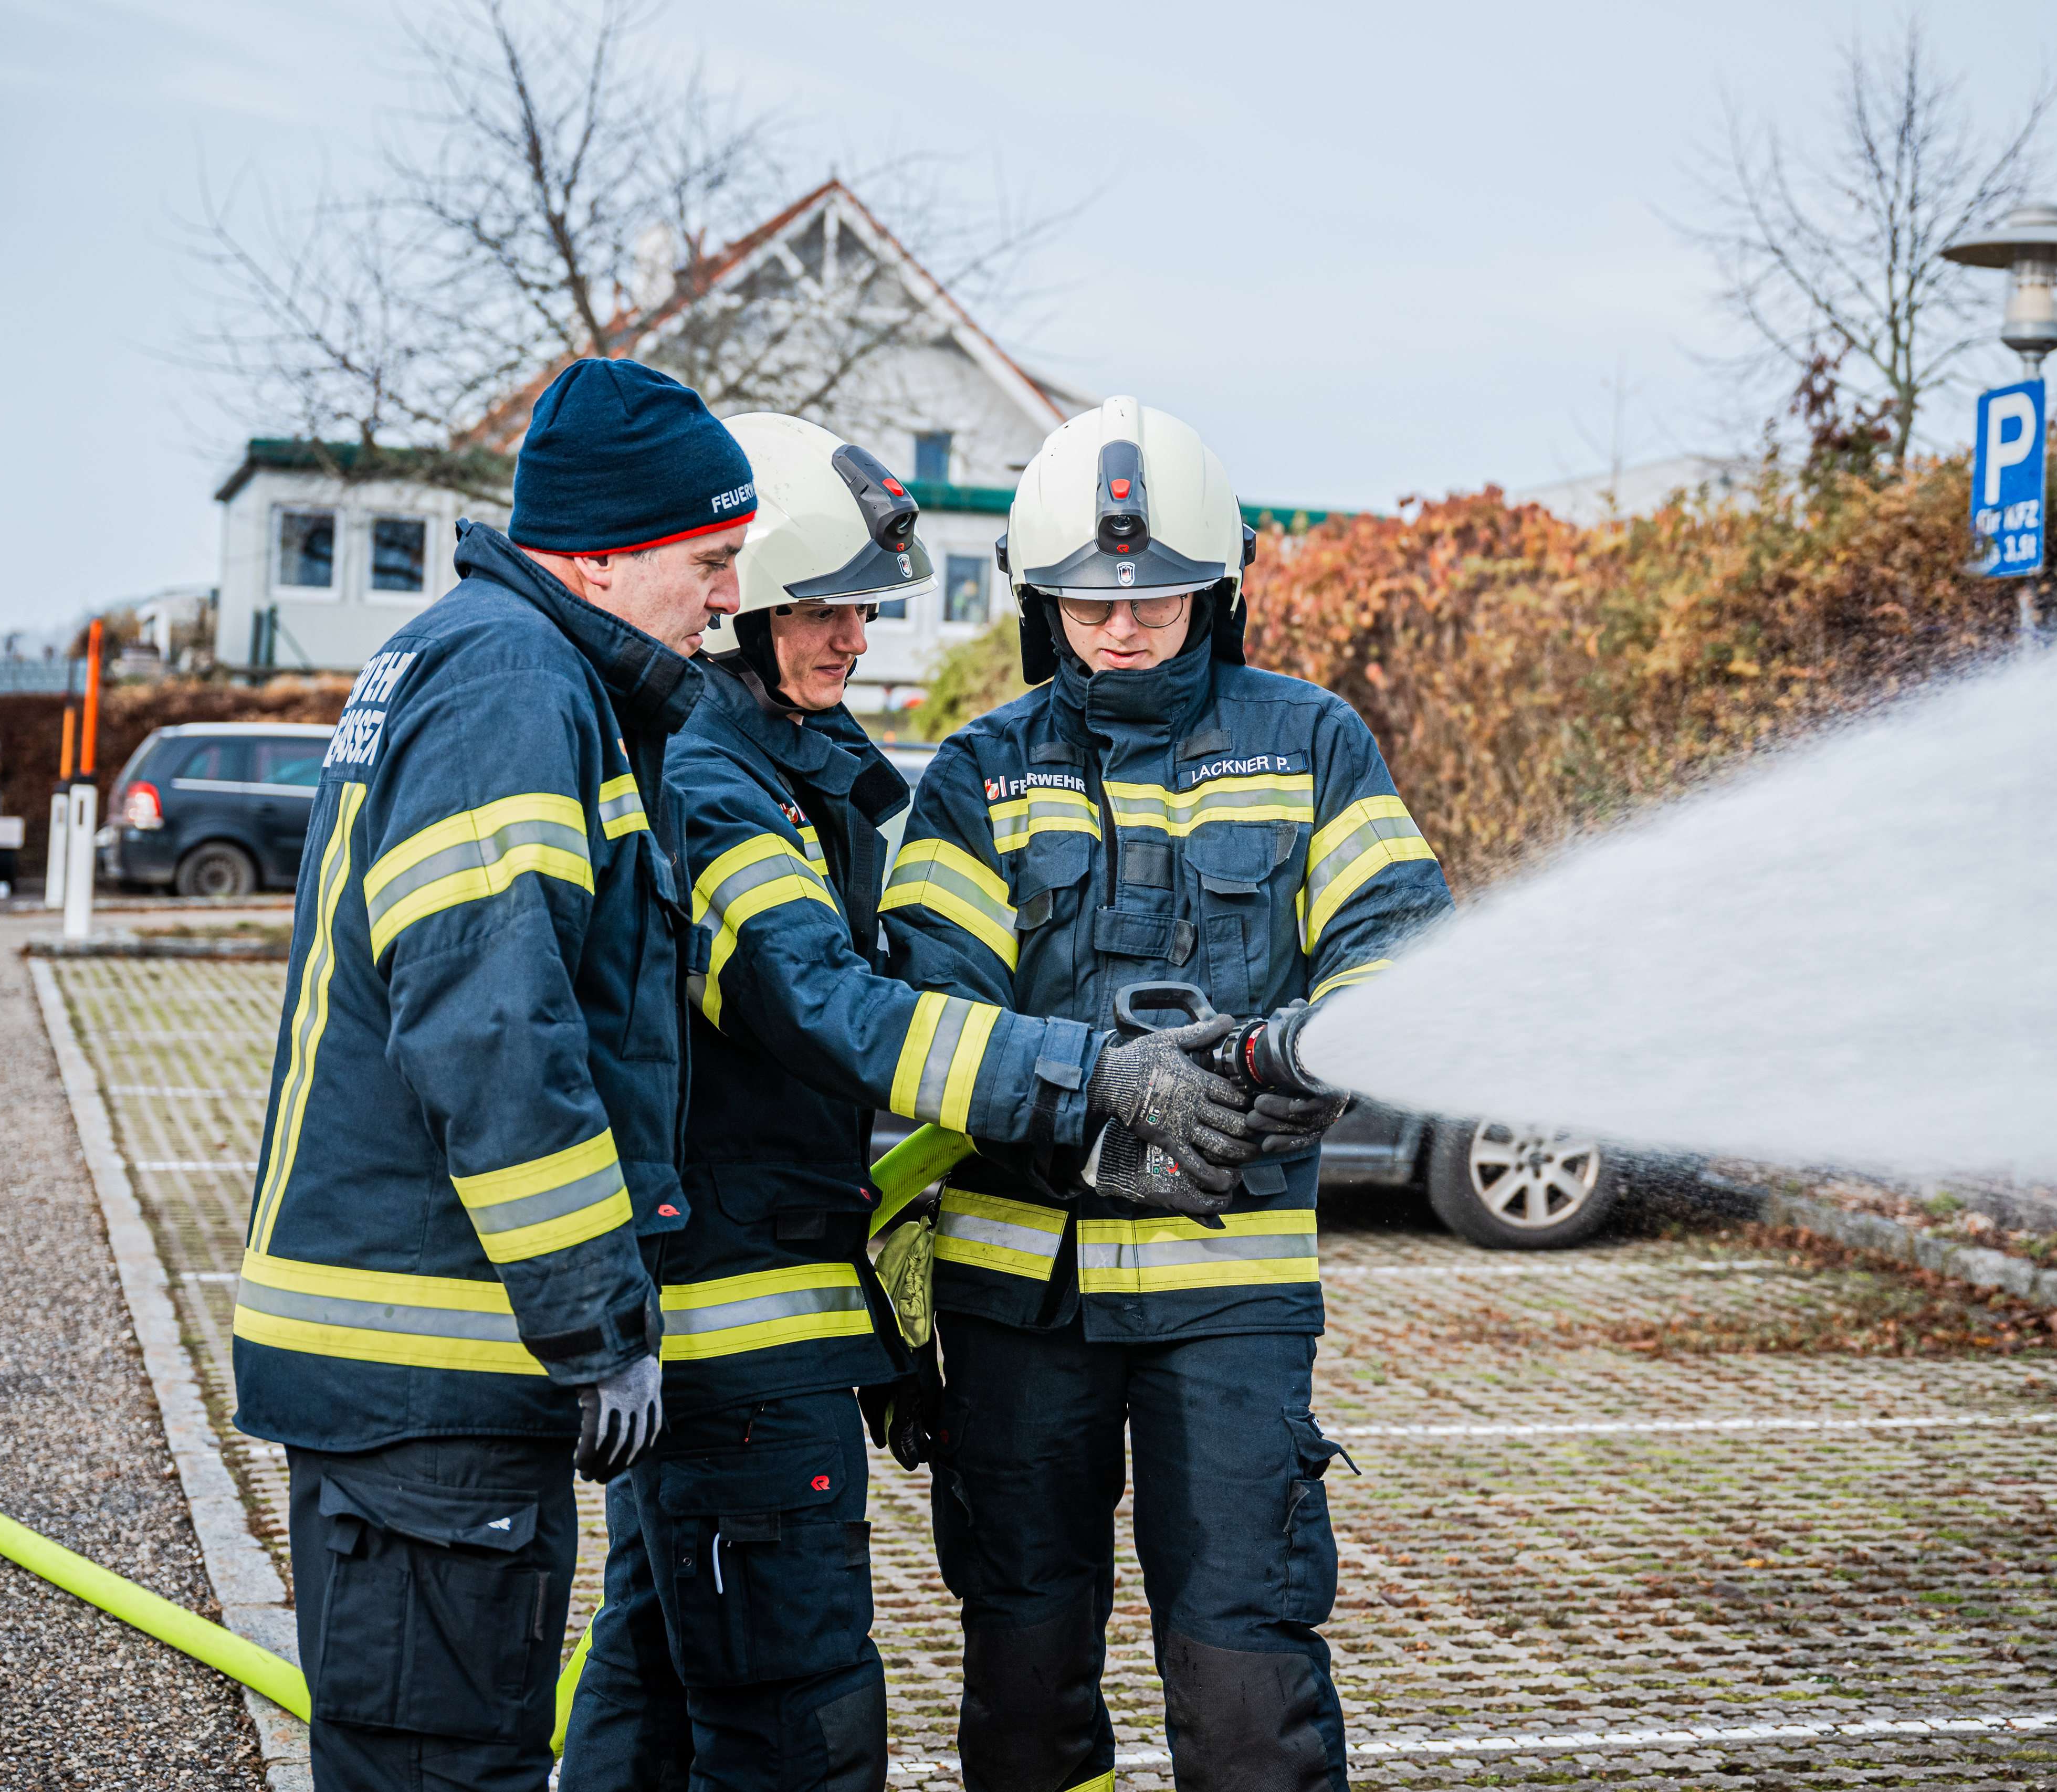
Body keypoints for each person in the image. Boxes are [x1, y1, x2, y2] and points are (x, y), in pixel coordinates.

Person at [559, 413, 1285, 1792]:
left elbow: (774, 1114)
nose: (853, 638)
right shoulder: (713, 788)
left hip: (729, 1347)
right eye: (819, 607)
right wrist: (1090, 1077)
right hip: (746, 1374)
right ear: (734, 613)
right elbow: (826, 1008)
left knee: (650, 1697)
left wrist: (884, 1343)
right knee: (799, 1733)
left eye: (861, 607)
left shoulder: (768, 771)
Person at [881, 398, 1454, 1792]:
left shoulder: (1312, 743)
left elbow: (1403, 948)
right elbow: (933, 1018)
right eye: (1088, 599)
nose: (1123, 625)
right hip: (1022, 1306)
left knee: (1251, 1673)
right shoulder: (977, 775)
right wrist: (1097, 1104)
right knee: (1024, 1685)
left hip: (1230, 1298)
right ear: (1041, 598)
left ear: (1215, 587)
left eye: (1155, 595)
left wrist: (1309, 1061)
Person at [229, 357, 749, 1792]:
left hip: (420, 1383)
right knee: (446, 1771)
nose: (726, 598)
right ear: (599, 552)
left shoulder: (488, 662)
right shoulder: (515, 687)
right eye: (711, 562)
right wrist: (597, 1323)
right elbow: (496, 1034)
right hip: (430, 1385)